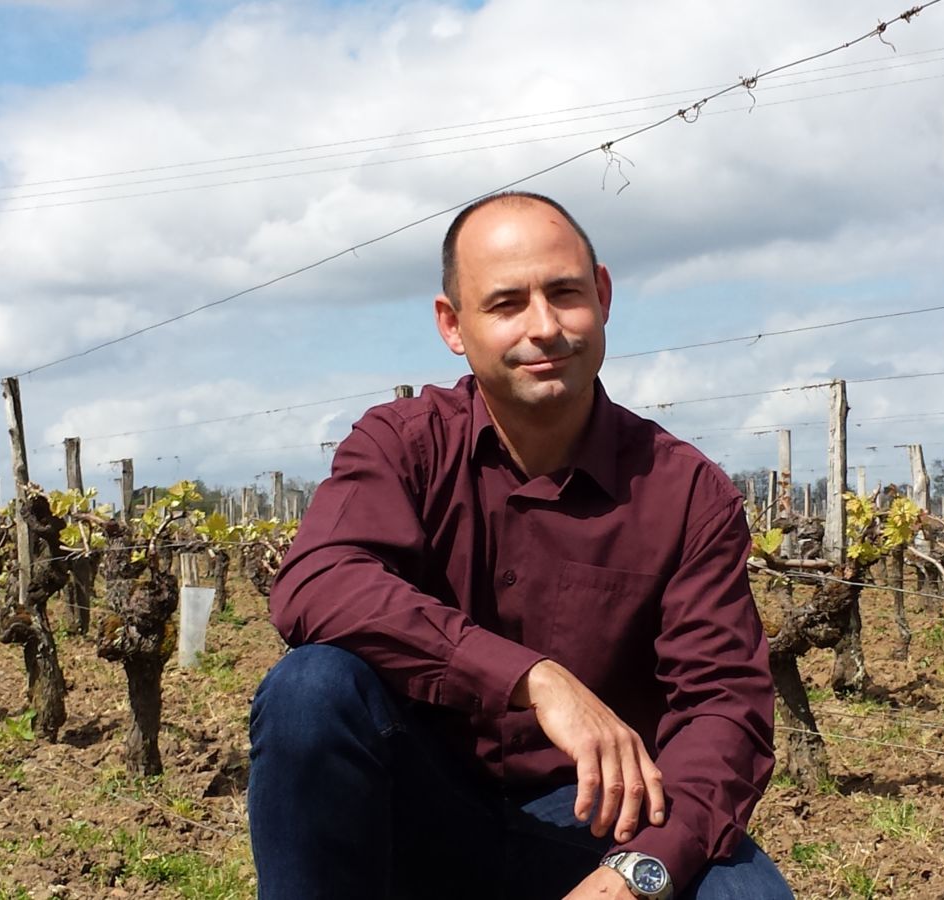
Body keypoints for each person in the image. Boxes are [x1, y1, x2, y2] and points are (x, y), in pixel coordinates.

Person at [247, 192, 794, 900]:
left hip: (598, 818)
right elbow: (319, 580)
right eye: (506, 304)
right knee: (310, 689)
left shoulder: (685, 492)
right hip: (411, 807)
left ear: (601, 296)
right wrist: (531, 678)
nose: (543, 327)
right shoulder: (403, 447)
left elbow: (724, 708)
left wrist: (637, 873)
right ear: (453, 325)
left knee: (745, 895)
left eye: (564, 294)